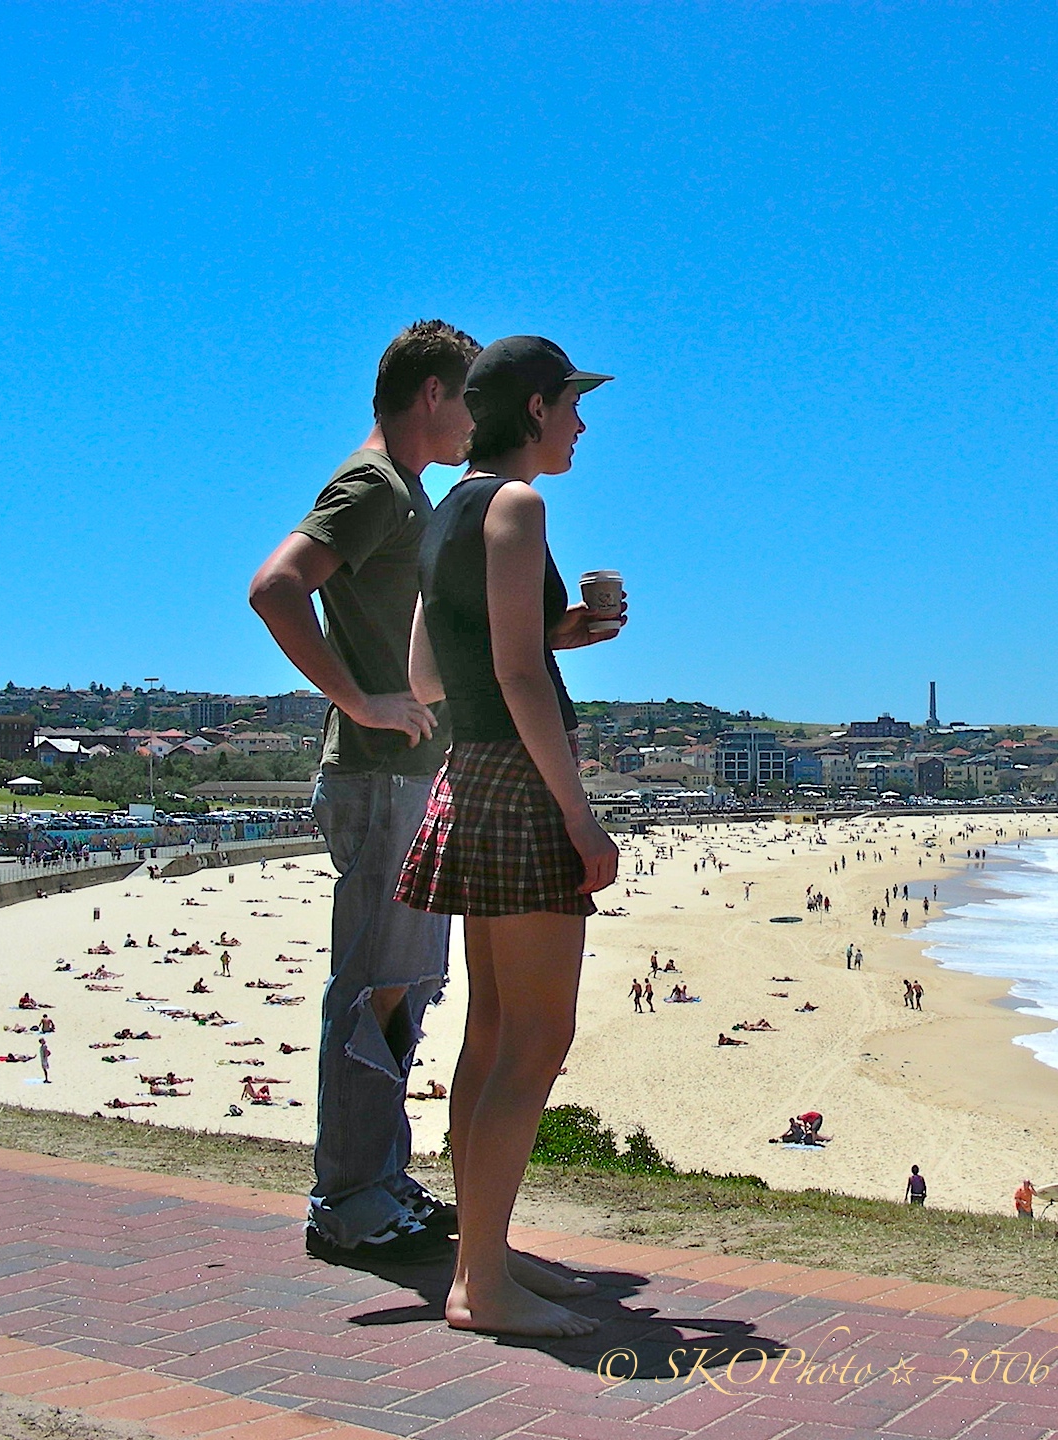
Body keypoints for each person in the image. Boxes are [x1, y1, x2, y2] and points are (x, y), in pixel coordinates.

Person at [393, 336, 621, 1338]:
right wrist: (581, 815)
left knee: (490, 1036)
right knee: (537, 1035)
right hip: (523, 784)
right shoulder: (520, 506)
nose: (580, 423)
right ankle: (481, 1286)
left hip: (468, 775)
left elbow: (431, 676)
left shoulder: (449, 512)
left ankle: (484, 1253)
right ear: (535, 407)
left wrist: (552, 628)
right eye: (572, 404)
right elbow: (515, 678)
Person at [250, 321, 480, 1268]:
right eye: (472, 398)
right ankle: (349, 1200)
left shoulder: (405, 492)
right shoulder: (374, 485)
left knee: (406, 985)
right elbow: (275, 587)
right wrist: (361, 699)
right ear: (432, 394)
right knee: (376, 988)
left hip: (408, 783)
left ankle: (379, 1178)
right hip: (382, 782)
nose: (479, 421)